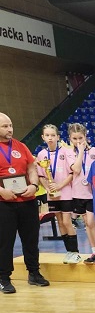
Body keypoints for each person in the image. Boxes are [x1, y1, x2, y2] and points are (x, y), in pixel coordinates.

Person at [0, 112, 49, 293]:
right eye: (5, 126)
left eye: (10, 125)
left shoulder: (21, 146)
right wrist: (1, 191)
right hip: (4, 203)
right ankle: (3, 278)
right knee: (5, 242)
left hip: (27, 200)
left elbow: (31, 168)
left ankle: (34, 273)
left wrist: (34, 185)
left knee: (31, 239)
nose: (10, 129)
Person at [36, 124, 80, 264]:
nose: (50, 138)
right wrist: (48, 188)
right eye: (47, 135)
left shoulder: (66, 152)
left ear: (58, 137)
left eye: (53, 135)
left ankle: (75, 252)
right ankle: (69, 252)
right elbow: (41, 176)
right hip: (52, 195)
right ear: (43, 137)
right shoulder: (41, 155)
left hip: (66, 192)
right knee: (60, 222)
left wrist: (59, 186)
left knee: (67, 221)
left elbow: (72, 173)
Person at [68, 123, 95, 264]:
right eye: (75, 139)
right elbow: (77, 169)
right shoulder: (69, 153)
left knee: (91, 222)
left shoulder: (94, 151)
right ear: (70, 139)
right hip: (78, 193)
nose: (78, 141)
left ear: (85, 136)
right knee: (86, 224)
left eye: (80, 138)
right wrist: (80, 152)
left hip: (92, 193)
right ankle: (94, 251)